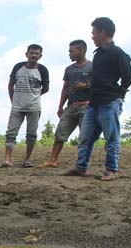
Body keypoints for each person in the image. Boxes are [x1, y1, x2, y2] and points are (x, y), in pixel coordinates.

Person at [62, 17, 131, 181]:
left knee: (111, 137)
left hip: (109, 102)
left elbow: (128, 77)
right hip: (94, 102)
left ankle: (112, 170)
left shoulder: (117, 53)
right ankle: (80, 167)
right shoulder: (99, 54)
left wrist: (119, 94)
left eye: (94, 33)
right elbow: (99, 79)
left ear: (103, 32)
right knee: (85, 138)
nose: (92, 36)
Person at [39, 40, 92, 168]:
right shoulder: (69, 69)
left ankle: (81, 163)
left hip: (87, 105)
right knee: (60, 132)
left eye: (72, 51)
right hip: (71, 105)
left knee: (84, 136)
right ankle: (53, 159)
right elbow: (65, 88)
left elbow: (99, 85)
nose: (69, 54)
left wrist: (85, 86)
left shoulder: (92, 67)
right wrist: (60, 106)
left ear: (82, 50)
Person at [0, 44, 49, 168]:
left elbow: (46, 88)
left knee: (31, 134)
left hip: (34, 107)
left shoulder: (43, 70)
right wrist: (13, 100)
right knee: (11, 132)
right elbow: (10, 86)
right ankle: (8, 159)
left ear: (40, 56)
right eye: (31, 53)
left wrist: (34, 95)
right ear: (26, 54)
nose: (34, 55)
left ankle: (27, 160)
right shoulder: (18, 67)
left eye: (37, 53)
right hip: (17, 107)